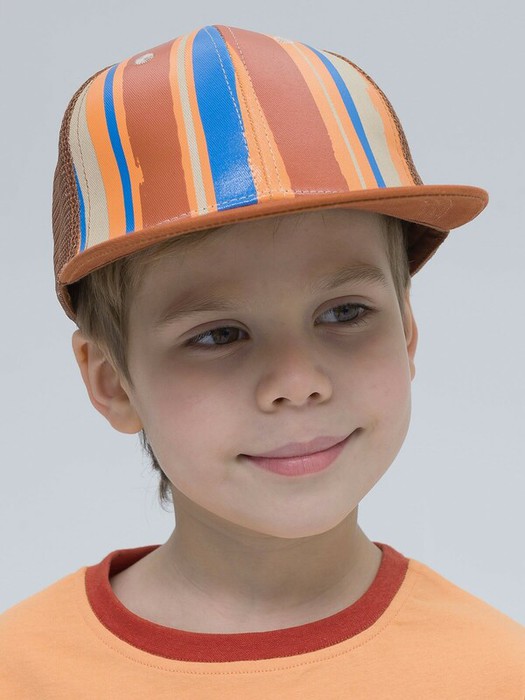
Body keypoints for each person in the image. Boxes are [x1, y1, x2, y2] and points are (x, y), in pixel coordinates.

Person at [1, 23, 524, 698]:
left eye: (344, 312)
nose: (297, 383)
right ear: (112, 383)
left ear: (407, 333)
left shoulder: (497, 672)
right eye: (219, 334)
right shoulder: (20, 671)